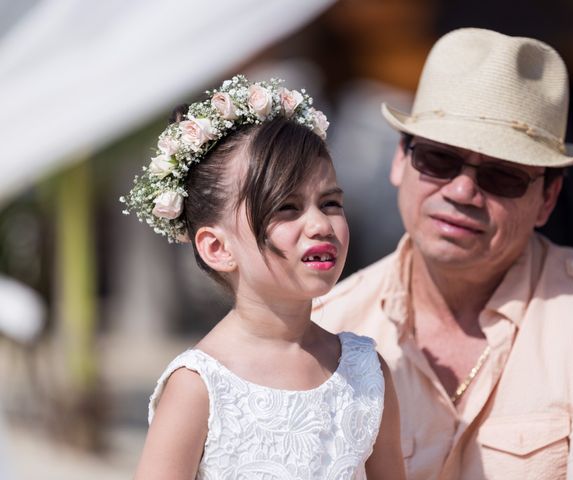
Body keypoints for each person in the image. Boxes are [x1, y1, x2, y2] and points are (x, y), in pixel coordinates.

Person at [312, 28, 573, 478]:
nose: (463, 190)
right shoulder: (326, 324)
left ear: (548, 198)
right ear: (398, 160)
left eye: (502, 176)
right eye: (439, 160)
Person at [122, 75, 405, 480]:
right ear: (217, 248)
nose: (320, 224)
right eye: (287, 208)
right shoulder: (199, 387)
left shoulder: (366, 371)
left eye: (330, 203)